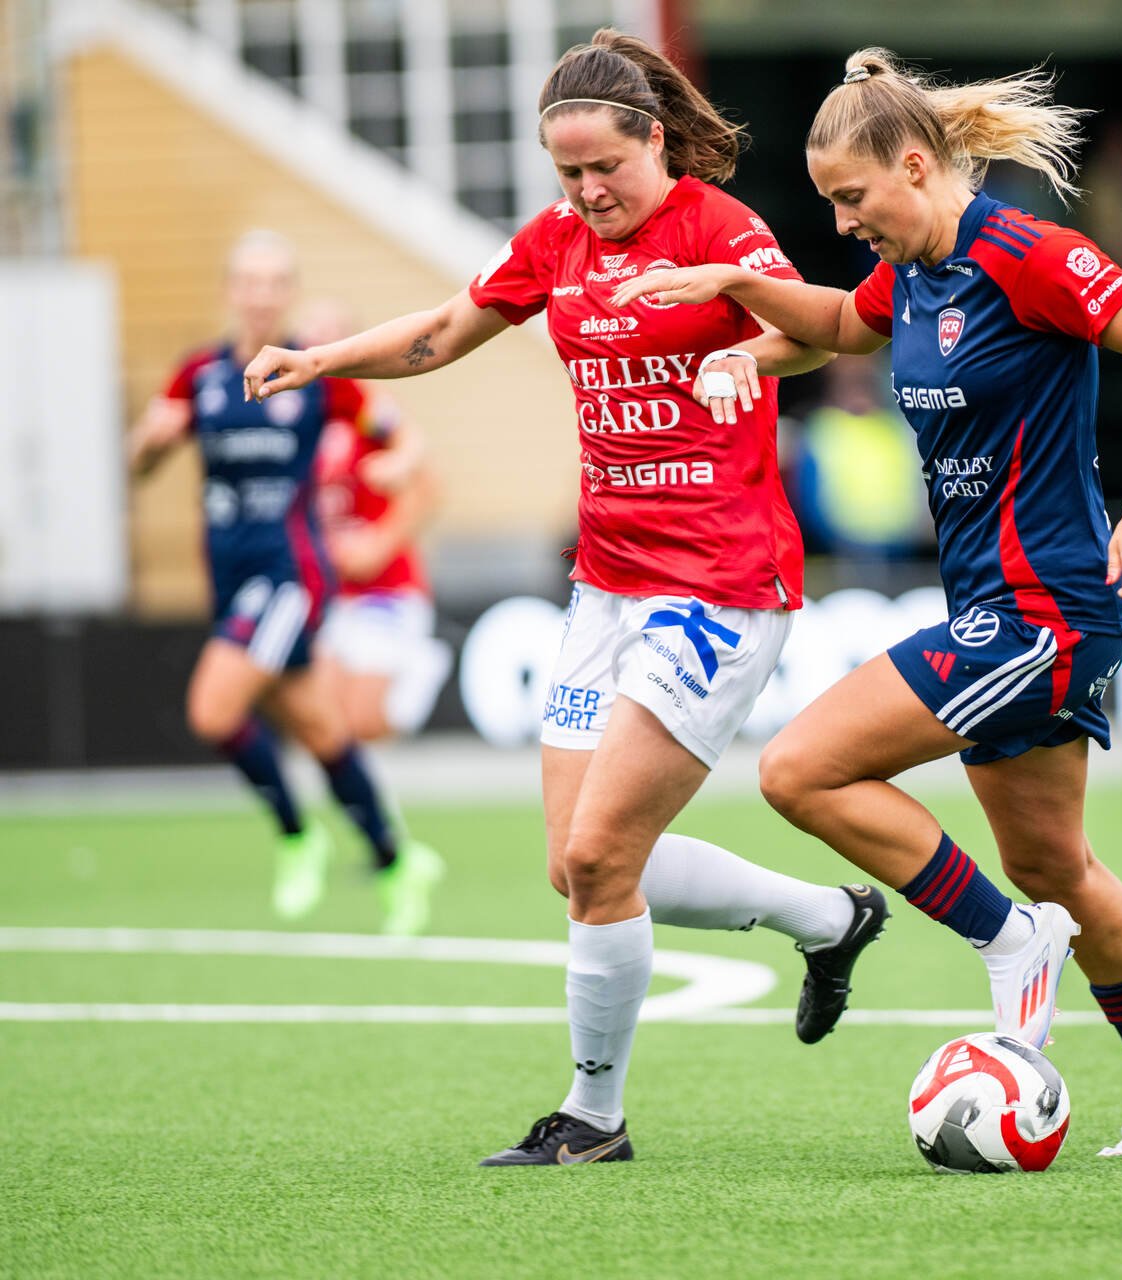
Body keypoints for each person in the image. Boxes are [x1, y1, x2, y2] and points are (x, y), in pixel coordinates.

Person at [241, 29, 889, 1168]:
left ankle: (593, 1116)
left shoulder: (719, 229)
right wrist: (323, 355)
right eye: (568, 175)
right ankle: (831, 919)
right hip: (605, 589)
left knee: (599, 858)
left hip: (721, 584)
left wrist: (749, 353)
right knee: (578, 862)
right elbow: (445, 332)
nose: (588, 193)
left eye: (607, 169)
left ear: (656, 141)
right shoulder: (556, 242)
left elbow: (825, 328)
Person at [620, 47, 1122, 1157]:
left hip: (1046, 610)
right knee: (1054, 864)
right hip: (1007, 605)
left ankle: (1007, 944)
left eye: (853, 198)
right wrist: (739, 317)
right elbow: (838, 327)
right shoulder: (915, 276)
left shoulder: (1028, 254)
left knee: (801, 769)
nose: (847, 221)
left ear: (913, 163)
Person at [128, 230, 444, 936]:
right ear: (230, 291)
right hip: (231, 578)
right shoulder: (199, 376)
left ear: (288, 293)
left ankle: (297, 837)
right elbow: (142, 459)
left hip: (289, 576)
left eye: (275, 283)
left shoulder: (313, 375)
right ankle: (396, 857)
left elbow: (401, 433)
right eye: (250, 281)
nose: (261, 295)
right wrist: (149, 442)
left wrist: (401, 464)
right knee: (321, 728)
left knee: (213, 712)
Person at [303, 300, 454, 741]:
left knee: (364, 721)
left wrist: (378, 544)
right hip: (333, 590)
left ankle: (421, 666)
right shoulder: (299, 420)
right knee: (321, 722)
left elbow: (428, 488)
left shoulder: (370, 409)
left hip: (386, 587)